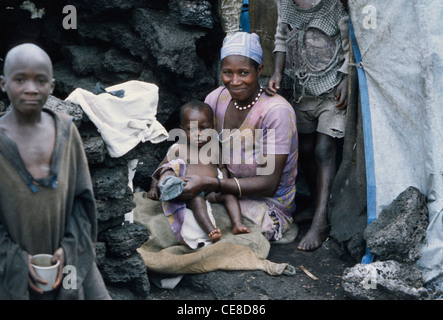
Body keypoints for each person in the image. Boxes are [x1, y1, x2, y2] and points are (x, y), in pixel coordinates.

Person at [0, 43, 110, 300]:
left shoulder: (66, 131)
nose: (30, 88)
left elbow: (82, 203)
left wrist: (70, 250)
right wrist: (17, 260)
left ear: (51, 86)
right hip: (9, 270)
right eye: (20, 79)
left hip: (67, 262)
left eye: (40, 80)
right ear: (3, 84)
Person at [177, 32, 298, 243]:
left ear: (259, 70)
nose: (234, 81)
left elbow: (269, 183)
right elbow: (203, 148)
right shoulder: (216, 99)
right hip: (222, 190)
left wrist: (210, 183)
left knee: (210, 230)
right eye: (227, 73)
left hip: (266, 202)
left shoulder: (275, 111)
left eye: (243, 73)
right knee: (185, 215)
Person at [266, 0, 350, 251]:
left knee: (324, 150)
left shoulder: (334, 6)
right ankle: (316, 204)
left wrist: (346, 78)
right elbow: (281, 38)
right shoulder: (285, 4)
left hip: (332, 91)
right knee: (304, 147)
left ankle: (321, 221)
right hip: (302, 90)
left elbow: (350, 46)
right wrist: (277, 72)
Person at [147, 100, 250, 247]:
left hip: (211, 191)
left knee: (230, 195)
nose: (199, 134)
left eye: (204, 128)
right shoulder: (178, 149)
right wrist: (153, 188)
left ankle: (237, 224)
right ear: (182, 130)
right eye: (192, 129)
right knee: (197, 201)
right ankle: (211, 230)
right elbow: (160, 170)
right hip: (190, 192)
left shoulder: (214, 147)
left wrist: (224, 184)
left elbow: (222, 168)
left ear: (213, 127)